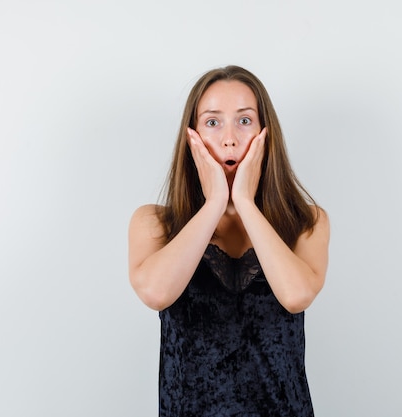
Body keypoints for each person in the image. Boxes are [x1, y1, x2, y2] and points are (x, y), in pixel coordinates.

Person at [128, 65, 330, 417]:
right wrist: (214, 203)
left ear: (266, 133)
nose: (229, 138)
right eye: (212, 122)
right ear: (192, 137)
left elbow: (297, 296)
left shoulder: (307, 222)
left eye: (244, 120)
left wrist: (247, 204)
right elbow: (156, 293)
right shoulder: (154, 223)